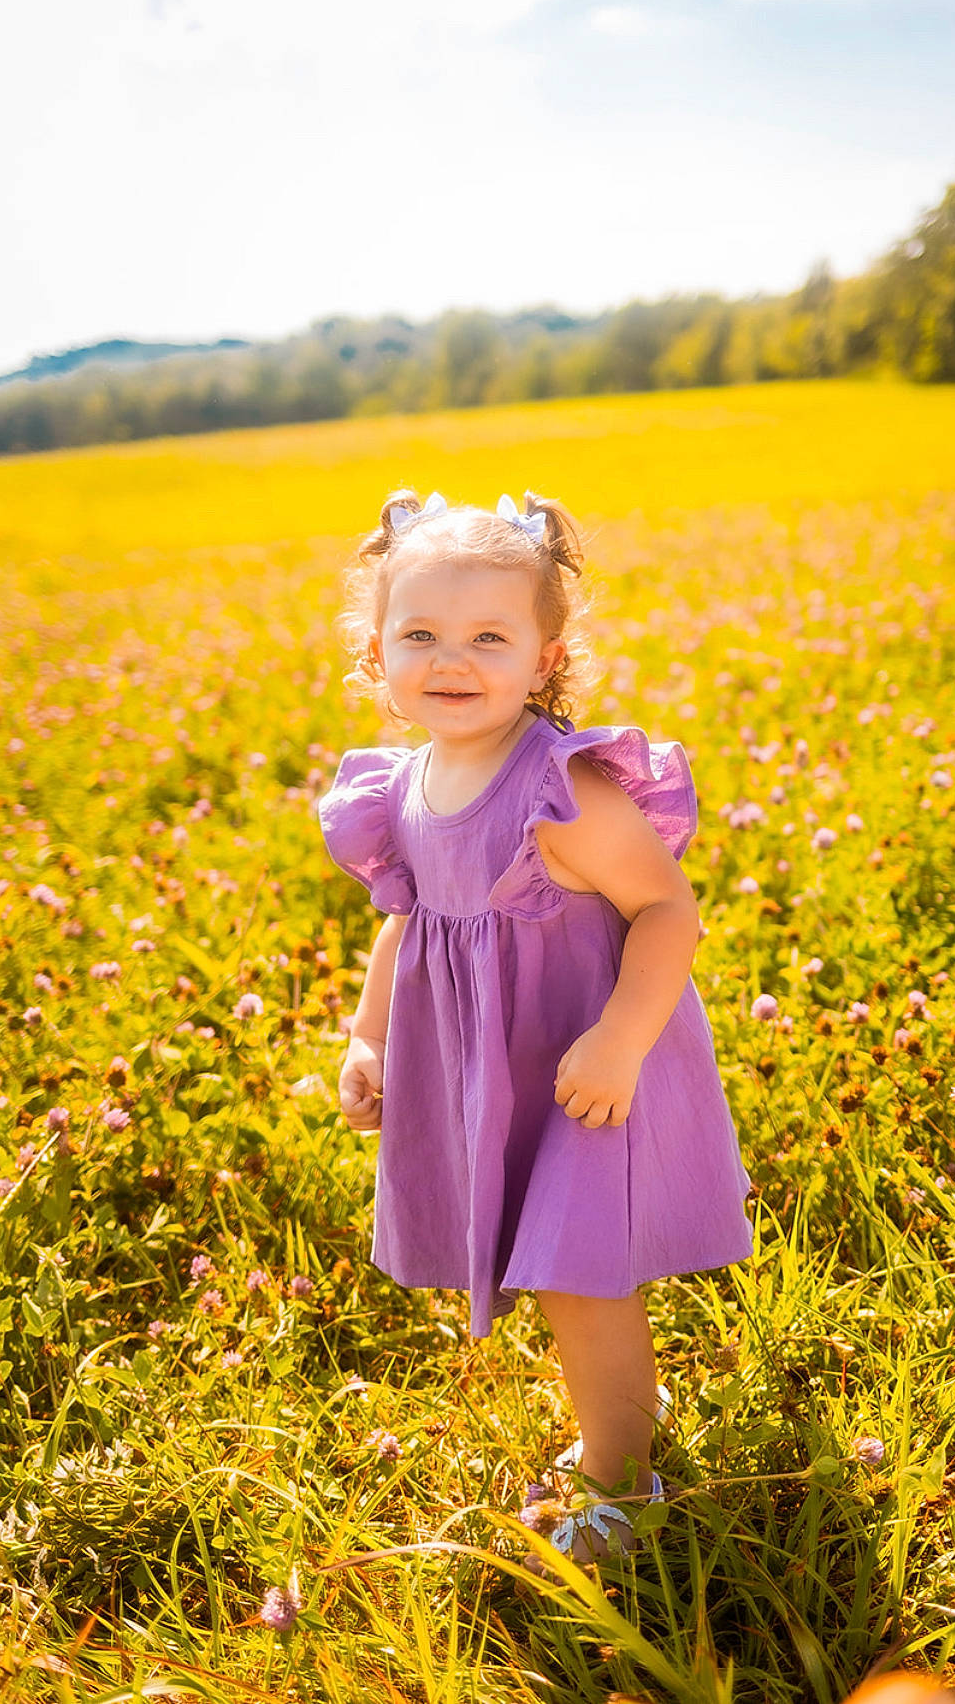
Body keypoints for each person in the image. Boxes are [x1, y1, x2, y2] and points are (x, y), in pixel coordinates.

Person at [316, 487, 755, 1571]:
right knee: (555, 1258)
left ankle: (623, 1478)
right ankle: (617, 1436)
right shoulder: (405, 786)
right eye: (420, 633)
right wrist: (370, 1034)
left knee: (575, 1269)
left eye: (488, 636)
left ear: (545, 660)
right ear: (376, 654)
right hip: (490, 1067)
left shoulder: (562, 789)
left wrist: (619, 1038)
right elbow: (408, 920)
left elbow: (667, 911)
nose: (451, 658)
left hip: (589, 1056)